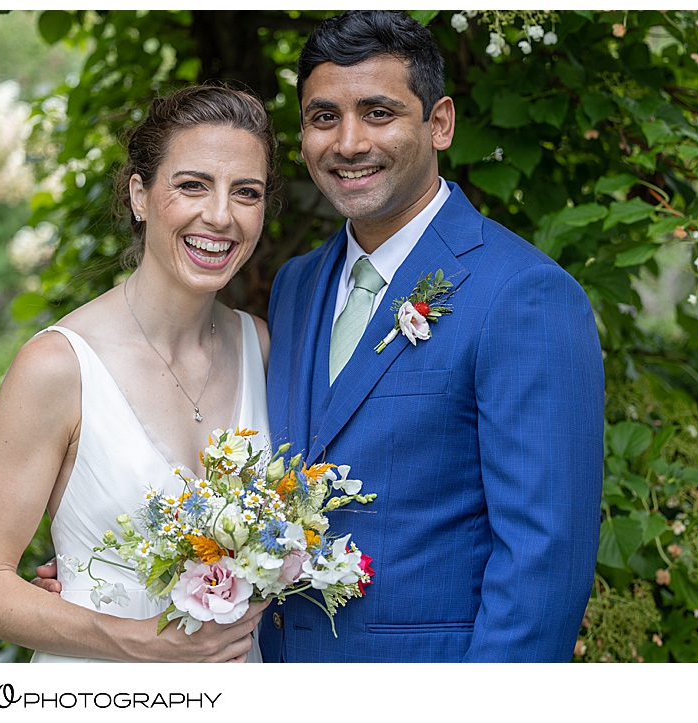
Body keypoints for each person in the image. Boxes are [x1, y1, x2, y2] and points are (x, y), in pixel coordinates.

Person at [257, 11, 604, 662]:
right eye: (324, 116)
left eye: (379, 112)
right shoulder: (295, 286)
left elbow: (543, 563)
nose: (348, 142)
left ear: (439, 122)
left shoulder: (523, 294)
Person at [0, 85, 276, 663]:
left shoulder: (261, 346)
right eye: (192, 185)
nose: (220, 216)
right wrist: (140, 640)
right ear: (140, 196)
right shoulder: (58, 366)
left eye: (245, 193)